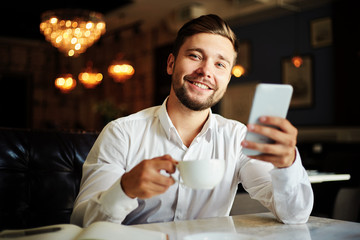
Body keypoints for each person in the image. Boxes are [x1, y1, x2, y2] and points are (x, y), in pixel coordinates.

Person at [70, 14, 313, 227]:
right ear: (171, 64)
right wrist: (124, 189)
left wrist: (287, 164)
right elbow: (82, 223)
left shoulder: (238, 137)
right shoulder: (120, 133)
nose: (206, 71)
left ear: (227, 78)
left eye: (220, 64)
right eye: (196, 56)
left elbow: (294, 216)